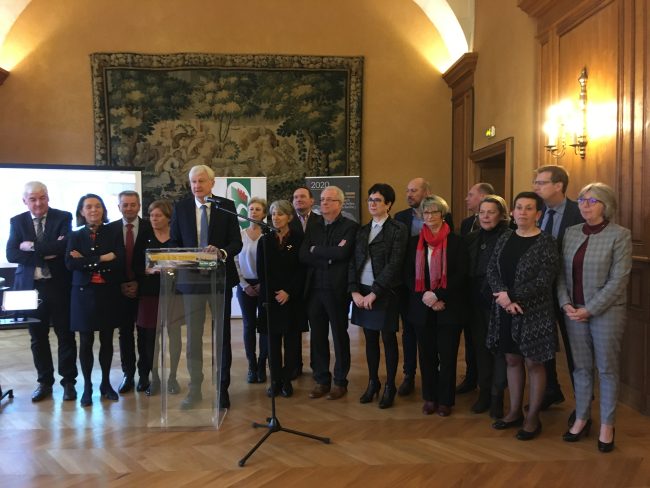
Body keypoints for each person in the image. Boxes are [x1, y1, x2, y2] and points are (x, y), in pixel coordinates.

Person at [557, 183, 632, 453]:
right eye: (581, 200)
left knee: (607, 369)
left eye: (592, 201)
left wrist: (590, 309)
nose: (585, 205)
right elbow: (560, 273)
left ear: (605, 205)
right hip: (573, 311)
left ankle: (607, 425)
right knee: (581, 368)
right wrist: (565, 303)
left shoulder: (620, 235)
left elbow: (619, 279)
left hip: (606, 312)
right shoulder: (571, 232)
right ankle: (581, 418)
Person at [169, 164, 242, 409]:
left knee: (222, 337)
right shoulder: (181, 208)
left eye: (201, 181)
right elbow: (174, 241)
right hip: (192, 281)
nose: (197, 186)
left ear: (212, 183)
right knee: (193, 338)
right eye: (193, 182)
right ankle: (195, 389)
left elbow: (236, 243)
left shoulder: (226, 206)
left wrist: (221, 252)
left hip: (219, 280)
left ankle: (222, 389)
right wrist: (188, 254)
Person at [487, 191, 559, 440]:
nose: (522, 212)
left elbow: (544, 280)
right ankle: (514, 411)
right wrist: (504, 298)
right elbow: (492, 269)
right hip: (506, 309)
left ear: (538, 214)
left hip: (534, 312)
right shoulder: (505, 237)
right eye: (519, 207)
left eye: (529, 208)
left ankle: (533, 417)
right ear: (512, 211)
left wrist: (512, 296)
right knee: (512, 360)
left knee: (534, 363)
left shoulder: (547, 242)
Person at [6, 181, 78, 402]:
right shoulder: (17, 221)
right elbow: (11, 254)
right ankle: (45, 382)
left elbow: (63, 247)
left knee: (65, 335)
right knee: (37, 338)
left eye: (42, 198)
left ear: (48, 197)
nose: (38, 203)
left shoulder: (63, 217)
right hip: (31, 288)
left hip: (58, 286)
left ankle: (68, 382)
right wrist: (46, 252)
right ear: (25, 201)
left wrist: (31, 246)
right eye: (33, 199)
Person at [404, 195, 468, 417]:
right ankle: (430, 397)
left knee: (448, 357)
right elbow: (407, 275)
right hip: (421, 307)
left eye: (434, 212)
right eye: (426, 212)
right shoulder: (414, 242)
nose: (429, 216)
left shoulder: (457, 242)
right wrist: (426, 296)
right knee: (426, 356)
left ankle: (445, 400)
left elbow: (461, 274)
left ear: (443, 215)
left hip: (449, 307)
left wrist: (439, 296)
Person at [349, 183, 408, 409]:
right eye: (370, 200)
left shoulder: (398, 229)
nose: (372, 204)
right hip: (362, 291)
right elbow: (353, 262)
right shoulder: (362, 230)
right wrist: (354, 291)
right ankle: (373, 382)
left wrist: (375, 292)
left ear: (388, 204)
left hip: (386, 293)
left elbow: (395, 263)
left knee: (388, 340)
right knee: (370, 340)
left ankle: (390, 385)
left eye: (377, 200)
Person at [533, 165, 584, 413]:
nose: (536, 187)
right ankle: (551, 390)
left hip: (571, 293)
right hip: (540, 291)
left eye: (541, 183)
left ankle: (582, 405)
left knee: (575, 351)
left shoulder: (578, 213)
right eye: (535, 182)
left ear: (558, 186)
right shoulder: (536, 212)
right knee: (544, 345)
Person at [300, 185, 358, 400]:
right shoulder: (313, 226)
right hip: (314, 290)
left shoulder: (350, 227)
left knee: (339, 335)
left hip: (337, 290)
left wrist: (317, 250)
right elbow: (303, 254)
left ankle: (340, 381)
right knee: (317, 336)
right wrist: (328, 258)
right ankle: (321, 380)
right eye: (322, 199)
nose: (323, 202)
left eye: (328, 199)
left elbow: (343, 253)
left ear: (339, 204)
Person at [66, 194, 124, 407]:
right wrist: (101, 258)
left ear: (103, 210)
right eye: (88, 207)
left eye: (98, 206)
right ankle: (88, 387)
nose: (93, 210)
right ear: (81, 211)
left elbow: (118, 261)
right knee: (86, 342)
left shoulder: (113, 232)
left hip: (107, 293)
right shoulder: (75, 235)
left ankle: (106, 384)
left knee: (107, 341)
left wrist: (85, 260)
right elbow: (70, 264)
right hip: (83, 294)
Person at [463, 195, 509, 417]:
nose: (486, 216)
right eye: (482, 212)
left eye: (491, 212)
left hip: (499, 302)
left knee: (499, 351)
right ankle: (484, 393)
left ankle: (497, 396)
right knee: (480, 349)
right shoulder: (471, 237)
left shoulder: (509, 237)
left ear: (501, 215)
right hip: (474, 301)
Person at [133, 199, 182, 396]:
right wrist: (147, 270)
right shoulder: (144, 235)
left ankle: (173, 377)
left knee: (174, 337)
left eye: (158, 215)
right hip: (149, 293)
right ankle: (154, 377)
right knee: (150, 339)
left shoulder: (177, 236)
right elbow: (135, 264)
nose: (154, 219)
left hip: (174, 293)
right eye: (151, 215)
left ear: (168, 218)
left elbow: (186, 260)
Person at [257, 200, 305, 398]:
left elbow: (302, 269)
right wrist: (274, 293)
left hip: (291, 298)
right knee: (272, 343)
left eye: (280, 214)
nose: (275, 218)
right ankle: (275, 380)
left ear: (290, 217)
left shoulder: (300, 239)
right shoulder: (265, 240)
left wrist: (288, 291)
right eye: (273, 214)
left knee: (292, 342)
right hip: (270, 299)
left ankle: (287, 380)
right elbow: (262, 272)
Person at [107, 190, 153, 394]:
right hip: (119, 290)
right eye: (125, 205)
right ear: (119, 207)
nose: (129, 208)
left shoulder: (150, 227)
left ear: (139, 206)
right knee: (125, 333)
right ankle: (128, 374)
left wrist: (138, 284)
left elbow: (153, 260)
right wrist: (121, 284)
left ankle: (144, 374)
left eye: (133, 204)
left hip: (144, 289)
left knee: (145, 334)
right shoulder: (109, 230)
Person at [457, 182, 496, 397]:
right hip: (469, 293)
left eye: (470, 194)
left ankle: (490, 387)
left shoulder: (504, 232)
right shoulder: (466, 224)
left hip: (491, 295)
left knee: (487, 343)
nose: (466, 198)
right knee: (471, 340)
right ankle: (471, 377)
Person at [287, 186, 323, 379]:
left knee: (317, 328)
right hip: (294, 282)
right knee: (293, 328)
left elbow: (322, 250)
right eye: (295, 197)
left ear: (312, 201)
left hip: (316, 281)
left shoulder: (321, 221)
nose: (298, 199)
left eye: (302, 196)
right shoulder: (287, 221)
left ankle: (318, 367)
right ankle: (294, 366)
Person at [234, 197, 269, 384]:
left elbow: (272, 264)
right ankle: (252, 366)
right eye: (251, 209)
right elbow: (235, 262)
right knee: (248, 325)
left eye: (258, 209)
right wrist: (244, 285)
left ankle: (262, 364)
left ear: (264, 214)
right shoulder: (240, 235)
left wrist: (264, 283)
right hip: (245, 286)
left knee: (264, 326)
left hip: (265, 286)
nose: (254, 212)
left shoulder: (268, 235)